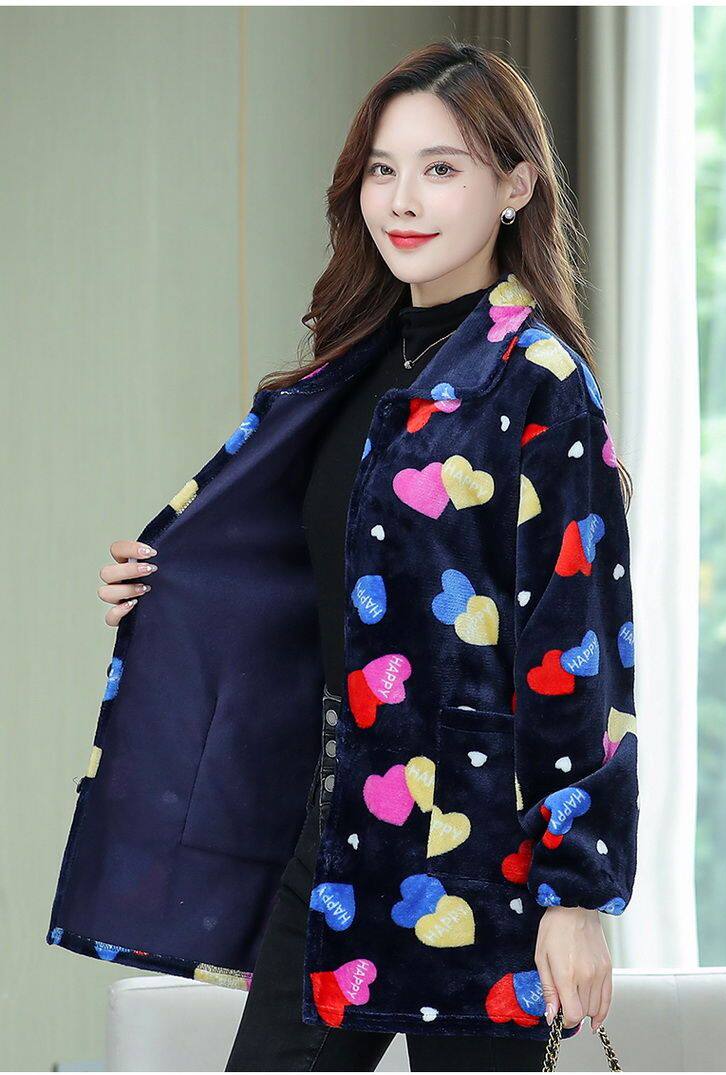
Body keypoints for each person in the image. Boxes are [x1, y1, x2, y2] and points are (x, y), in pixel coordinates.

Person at [66, 39, 638, 1073]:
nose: (402, 200)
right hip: (334, 842)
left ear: (515, 186)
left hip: (486, 865)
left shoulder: (540, 383)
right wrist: (166, 586)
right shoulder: (346, 373)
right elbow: (313, 592)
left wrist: (577, 893)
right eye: (383, 168)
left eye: (441, 167)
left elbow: (576, 645)